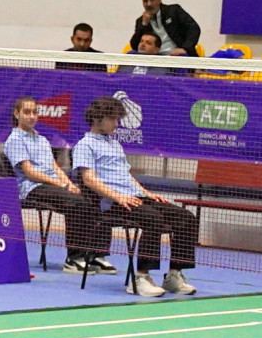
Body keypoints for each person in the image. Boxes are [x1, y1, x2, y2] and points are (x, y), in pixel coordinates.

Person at [72, 96, 198, 297]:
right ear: (97, 118)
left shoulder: (115, 144)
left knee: (186, 217)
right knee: (152, 218)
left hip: (134, 197)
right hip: (112, 203)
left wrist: (146, 193)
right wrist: (118, 197)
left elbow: (126, 176)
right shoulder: (85, 145)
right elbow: (89, 179)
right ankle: (140, 278)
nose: (116, 123)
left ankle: (174, 276)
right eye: (112, 119)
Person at [3, 96, 110, 275]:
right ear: (17, 114)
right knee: (76, 202)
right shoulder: (15, 140)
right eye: (27, 112)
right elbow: (30, 172)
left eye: (34, 112)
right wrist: (61, 185)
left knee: (93, 198)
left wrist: (69, 183)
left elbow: (55, 167)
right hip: (32, 188)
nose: (32, 116)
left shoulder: (42, 139)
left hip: (53, 185)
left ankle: (94, 254)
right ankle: (74, 259)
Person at [129, 0, 199, 57]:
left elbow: (194, 28)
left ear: (159, 0)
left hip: (177, 54)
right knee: (130, 54)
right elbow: (134, 45)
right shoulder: (141, 21)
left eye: (152, 0)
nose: (149, 4)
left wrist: (185, 48)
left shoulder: (173, 11)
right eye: (145, 1)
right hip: (155, 56)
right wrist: (144, 25)